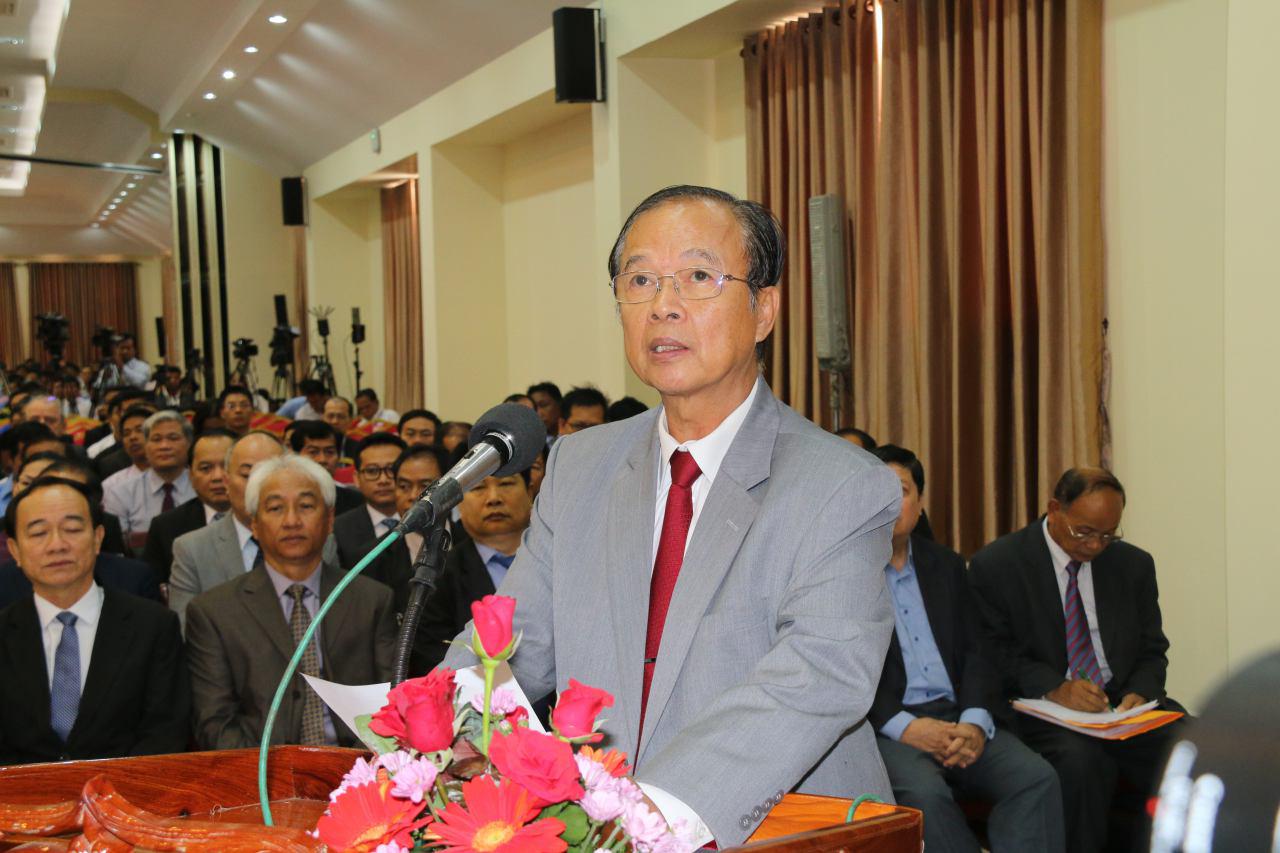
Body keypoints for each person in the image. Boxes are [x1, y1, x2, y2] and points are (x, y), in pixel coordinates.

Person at [442, 185, 900, 846]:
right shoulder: (578, 466)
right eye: (640, 279)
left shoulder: (841, 485)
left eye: (697, 276)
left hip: (777, 830)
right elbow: (513, 639)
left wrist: (644, 818)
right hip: (589, 828)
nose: (664, 304)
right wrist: (441, 724)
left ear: (764, 308)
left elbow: (817, 676)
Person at [969, 467, 1185, 853]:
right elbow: (994, 652)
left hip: (1119, 707)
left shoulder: (1133, 565)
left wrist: (1140, 690)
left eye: (1108, 535)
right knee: (1082, 764)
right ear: (1055, 510)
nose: (1095, 546)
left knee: (1194, 748)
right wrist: (1054, 687)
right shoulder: (998, 564)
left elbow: (1152, 648)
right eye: (1084, 532)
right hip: (1044, 709)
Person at [868, 445, 1063, 853]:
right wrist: (908, 727)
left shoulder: (949, 566)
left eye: (901, 490)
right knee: (925, 797)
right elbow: (845, 670)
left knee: (1035, 777)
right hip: (890, 728)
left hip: (959, 717)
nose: (889, 500)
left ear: (919, 505)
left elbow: (979, 652)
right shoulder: (842, 575)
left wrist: (974, 722)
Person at [185, 455, 396, 748]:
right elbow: (215, 724)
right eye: (275, 508)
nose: (292, 520)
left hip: (358, 771)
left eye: (306, 506)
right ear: (255, 525)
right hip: (261, 775)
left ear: (330, 520)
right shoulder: (214, 612)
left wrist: (357, 772)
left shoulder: (372, 599)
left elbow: (391, 707)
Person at [0, 476, 188, 764]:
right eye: (38, 533)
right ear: (15, 551)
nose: (57, 545)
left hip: (128, 800)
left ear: (98, 538)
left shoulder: (153, 626)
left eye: (72, 529)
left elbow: (165, 732)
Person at [416, 467, 533, 673]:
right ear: (458, 503)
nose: (493, 498)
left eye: (506, 483)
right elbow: (430, 657)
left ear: (530, 492)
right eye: (478, 487)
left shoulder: (563, 562)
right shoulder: (436, 576)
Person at [167, 431, 287, 626]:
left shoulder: (317, 541)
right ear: (227, 482)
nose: (257, 486)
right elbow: (187, 630)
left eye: (269, 475)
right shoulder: (192, 549)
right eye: (247, 475)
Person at [143, 429, 235, 584]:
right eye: (206, 468)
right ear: (191, 476)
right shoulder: (166, 526)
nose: (218, 477)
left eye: (227, 467)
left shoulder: (260, 520)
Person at [332, 432, 411, 612]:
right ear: (356, 479)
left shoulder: (426, 525)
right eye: (372, 471)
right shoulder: (339, 529)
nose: (383, 480)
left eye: (391, 470)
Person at [102, 410, 195, 548]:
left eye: (173, 438)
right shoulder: (120, 493)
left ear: (189, 443)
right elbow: (118, 546)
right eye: (156, 439)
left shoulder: (202, 487)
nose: (164, 446)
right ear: (146, 446)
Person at [287, 420, 364, 514]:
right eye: (313, 452)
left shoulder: (356, 501)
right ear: (296, 456)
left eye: (329, 452)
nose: (322, 460)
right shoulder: (281, 497)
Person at [391, 445, 452, 562]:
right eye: (404, 486)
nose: (413, 496)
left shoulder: (472, 538)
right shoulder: (376, 557)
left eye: (425, 486)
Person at [96, 403, 155, 483]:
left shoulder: (171, 473)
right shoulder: (113, 484)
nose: (132, 437)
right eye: (126, 433)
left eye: (139, 430)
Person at [526, 381, 561, 445]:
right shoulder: (530, 444)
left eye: (543, 405)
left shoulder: (573, 436)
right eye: (534, 408)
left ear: (559, 404)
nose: (538, 413)